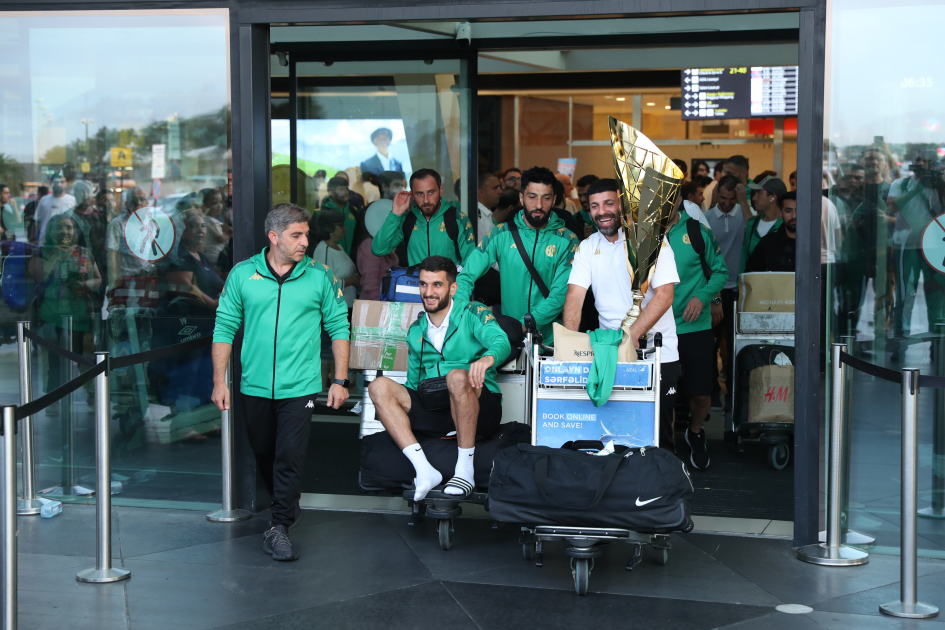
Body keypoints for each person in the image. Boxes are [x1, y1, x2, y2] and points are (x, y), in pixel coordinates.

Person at [212, 203, 351, 562]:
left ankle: (279, 525)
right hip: (253, 385)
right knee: (264, 452)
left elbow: (338, 327)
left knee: (289, 454)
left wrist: (340, 379)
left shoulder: (320, 276)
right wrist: (219, 381)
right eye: (297, 235)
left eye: (306, 233)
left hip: (301, 386)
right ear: (274, 237)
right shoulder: (243, 274)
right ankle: (285, 506)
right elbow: (224, 328)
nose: (306, 241)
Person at [367, 255, 510, 501]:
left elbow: (501, 341)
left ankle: (465, 472)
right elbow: (413, 385)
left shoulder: (472, 312)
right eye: (423, 284)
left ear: (452, 288)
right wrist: (396, 405)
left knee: (455, 377)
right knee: (379, 386)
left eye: (437, 285)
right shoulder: (415, 331)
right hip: (437, 409)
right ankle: (424, 471)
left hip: (479, 405)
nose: (428, 292)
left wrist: (487, 359)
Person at [562, 178, 681, 451]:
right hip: (611, 356)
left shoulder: (650, 239)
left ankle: (664, 488)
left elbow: (664, 295)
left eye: (608, 203)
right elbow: (574, 297)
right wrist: (570, 342)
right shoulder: (588, 246)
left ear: (622, 205)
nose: (601, 211)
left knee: (657, 432)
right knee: (617, 431)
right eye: (594, 206)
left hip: (656, 353)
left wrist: (633, 335)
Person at [456, 166, 577, 345]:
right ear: (521, 198)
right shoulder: (500, 234)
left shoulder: (568, 240)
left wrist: (519, 326)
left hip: (550, 341)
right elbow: (466, 276)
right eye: (532, 197)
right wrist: (461, 313)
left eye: (546, 198)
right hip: (507, 340)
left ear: (554, 200)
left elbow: (559, 296)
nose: (538, 205)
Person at [665, 198, 728, 469]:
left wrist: (703, 297)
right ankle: (664, 445)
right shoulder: (637, 234)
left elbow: (720, 272)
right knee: (661, 393)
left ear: (678, 200)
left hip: (694, 325)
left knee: (701, 393)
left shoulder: (697, 232)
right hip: (655, 328)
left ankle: (695, 432)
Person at [30, 214, 101, 414]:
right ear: (50, 231)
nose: (64, 232)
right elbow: (37, 277)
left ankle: (91, 395)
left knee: (83, 357)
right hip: (51, 314)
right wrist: (55, 256)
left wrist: (84, 285)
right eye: (59, 227)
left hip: (79, 314)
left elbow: (98, 280)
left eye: (68, 227)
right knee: (54, 359)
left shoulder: (82, 252)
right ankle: (52, 400)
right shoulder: (41, 252)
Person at [371, 168, 474, 267]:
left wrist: (456, 284)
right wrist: (395, 214)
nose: (426, 200)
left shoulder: (458, 219)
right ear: (411, 194)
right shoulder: (407, 220)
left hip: (449, 284)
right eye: (420, 194)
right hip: (417, 284)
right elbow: (378, 250)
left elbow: (471, 264)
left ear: (440, 189)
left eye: (431, 192)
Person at [705, 175, 745, 412]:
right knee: (711, 346)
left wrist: (744, 204)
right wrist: (716, 297)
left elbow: (753, 231)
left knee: (734, 346)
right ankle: (713, 393)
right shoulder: (708, 219)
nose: (728, 203)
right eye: (723, 198)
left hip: (739, 289)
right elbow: (707, 262)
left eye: (732, 199)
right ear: (716, 194)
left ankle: (733, 394)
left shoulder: (743, 213)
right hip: (716, 290)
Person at [311, 208, 360, 308]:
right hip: (336, 310)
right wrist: (351, 281)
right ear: (329, 228)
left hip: (348, 305)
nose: (345, 228)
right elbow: (324, 284)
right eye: (341, 225)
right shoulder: (323, 250)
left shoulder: (339, 247)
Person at [740, 176, 786, 274]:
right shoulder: (752, 224)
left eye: (759, 193)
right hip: (754, 286)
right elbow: (744, 259)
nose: (754, 198)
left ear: (773, 198)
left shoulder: (786, 226)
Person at [745, 192, 797, 272]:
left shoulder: (815, 243)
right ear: (781, 214)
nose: (794, 216)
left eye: (798, 210)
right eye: (788, 211)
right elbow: (751, 274)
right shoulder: (768, 242)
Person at [358, 201, 399, 301]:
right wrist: (381, 306)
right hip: (374, 304)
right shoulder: (369, 245)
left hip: (385, 301)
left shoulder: (384, 245)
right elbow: (371, 283)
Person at [320, 176, 359, 259]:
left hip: (352, 260)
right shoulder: (322, 213)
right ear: (331, 192)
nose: (346, 192)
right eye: (341, 189)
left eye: (347, 189)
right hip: (330, 260)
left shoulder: (354, 211)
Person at [35, 175, 76, 243]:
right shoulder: (43, 200)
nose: (59, 184)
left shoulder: (73, 201)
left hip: (65, 243)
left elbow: (74, 223)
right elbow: (37, 222)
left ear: (66, 184)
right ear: (52, 183)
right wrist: (33, 239)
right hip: (44, 242)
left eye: (62, 182)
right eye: (56, 182)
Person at [202, 188, 229, 273]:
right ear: (206, 204)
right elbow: (221, 239)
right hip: (215, 256)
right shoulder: (211, 221)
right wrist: (228, 232)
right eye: (215, 203)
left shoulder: (208, 219)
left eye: (221, 202)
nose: (219, 206)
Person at [722, 155, 753, 220]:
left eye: (730, 173)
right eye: (725, 173)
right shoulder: (723, 190)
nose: (726, 177)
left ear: (744, 173)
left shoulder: (756, 192)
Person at [477, 170, 503, 242]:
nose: (500, 191)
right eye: (495, 188)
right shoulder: (478, 218)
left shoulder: (487, 214)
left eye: (500, 187)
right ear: (481, 192)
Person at [575, 174, 600, 239]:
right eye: (579, 196)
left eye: (586, 195)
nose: (582, 199)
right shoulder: (576, 219)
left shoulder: (611, 214)